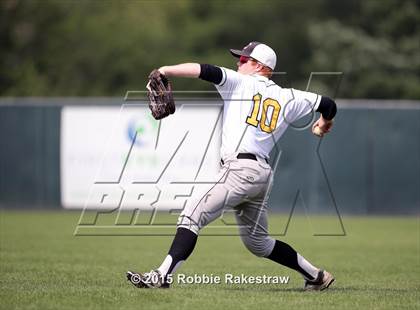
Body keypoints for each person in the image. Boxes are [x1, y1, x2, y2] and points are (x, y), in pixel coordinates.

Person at [127, 41, 337, 291]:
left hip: (239, 170)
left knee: (191, 214)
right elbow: (328, 104)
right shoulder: (288, 96)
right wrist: (324, 122)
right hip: (261, 175)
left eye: (244, 60)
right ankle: (317, 276)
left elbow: (204, 70)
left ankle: (162, 276)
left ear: (259, 66)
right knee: (258, 242)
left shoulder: (240, 82)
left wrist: (165, 70)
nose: (238, 63)